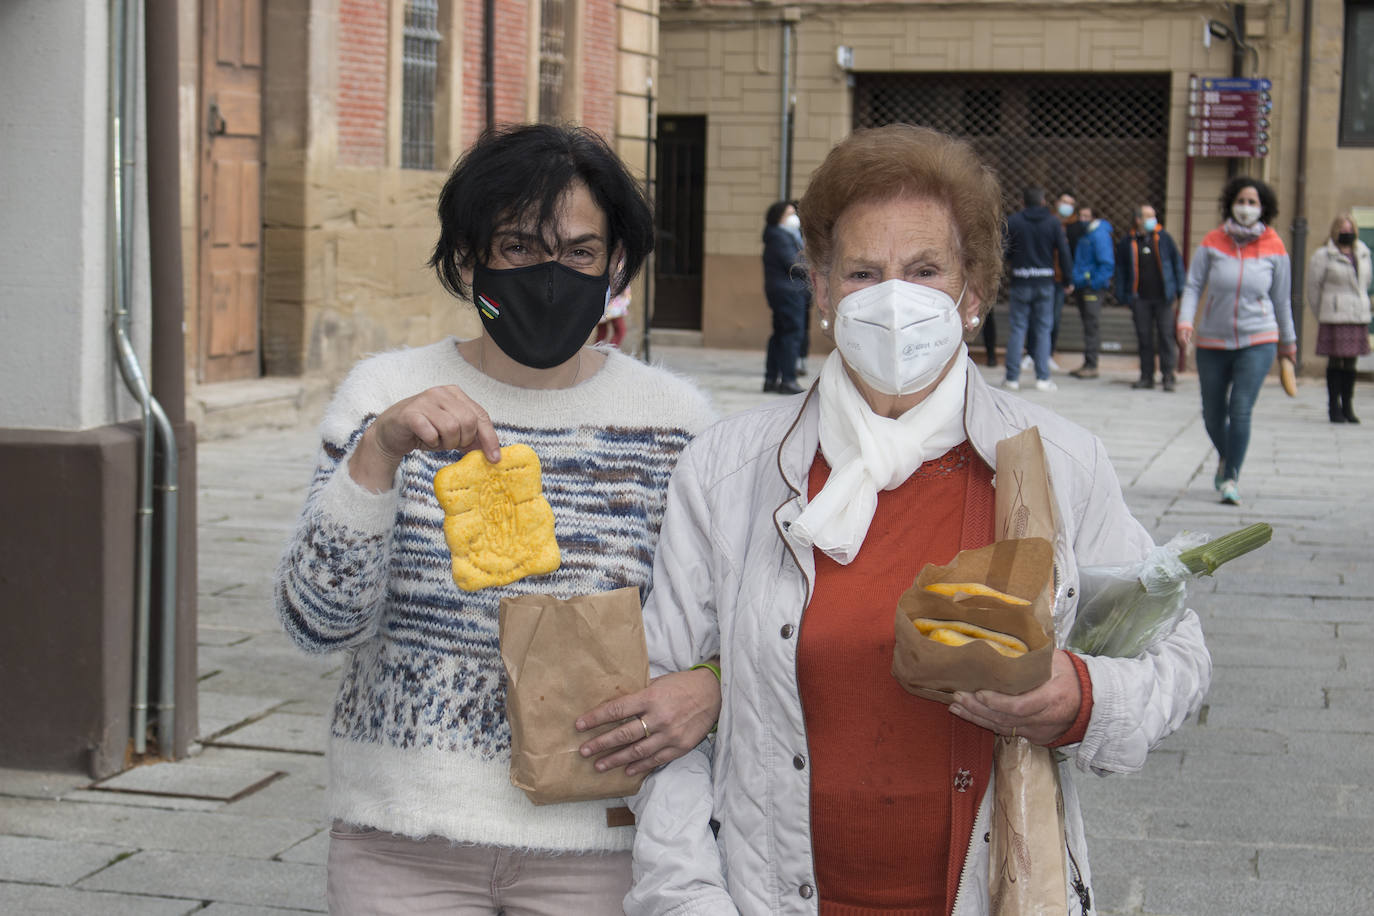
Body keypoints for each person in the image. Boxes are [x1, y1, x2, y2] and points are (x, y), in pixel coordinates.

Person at [625, 125, 1211, 916]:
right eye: (863, 272)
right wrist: (689, 902)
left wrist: (1080, 697)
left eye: (924, 270)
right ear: (824, 290)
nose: (893, 298)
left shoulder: (1056, 465)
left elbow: (1177, 654)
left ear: (971, 294)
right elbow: (665, 720)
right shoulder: (730, 471)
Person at [274, 123, 722, 914]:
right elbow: (317, 623)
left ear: (616, 263)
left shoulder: (676, 422)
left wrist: (709, 687)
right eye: (518, 246)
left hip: (602, 843)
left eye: (581, 252)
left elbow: (730, 625)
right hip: (401, 840)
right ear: (467, 257)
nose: (551, 274)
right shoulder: (386, 392)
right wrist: (378, 456)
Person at [1178, 176, 1296, 505]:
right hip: (1212, 341)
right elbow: (1193, 286)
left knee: (1240, 409)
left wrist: (1289, 342)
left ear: (1264, 208)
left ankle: (1231, 476)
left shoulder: (1275, 246)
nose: (1246, 207)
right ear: (1230, 203)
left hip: (1259, 338)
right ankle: (1227, 456)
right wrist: (1185, 320)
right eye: (1241, 200)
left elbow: (1282, 299)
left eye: (1253, 202)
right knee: (1212, 414)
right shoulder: (1213, 241)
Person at [1003, 186, 1073, 392]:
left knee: (1017, 328)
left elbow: (1004, 251)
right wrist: (1068, 278)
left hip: (1021, 281)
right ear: (1043, 202)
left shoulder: (1014, 221)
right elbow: (1063, 251)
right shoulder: (1053, 223)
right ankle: (1043, 378)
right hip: (1044, 282)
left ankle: (1012, 378)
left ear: (1023, 202)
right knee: (1043, 330)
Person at [1306, 213, 1371, 423]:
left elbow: (1366, 282)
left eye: (1350, 229)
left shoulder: (1362, 252)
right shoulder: (1323, 255)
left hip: (1357, 314)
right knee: (1335, 362)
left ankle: (1348, 406)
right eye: (1343, 229)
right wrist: (1323, 312)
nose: (1347, 233)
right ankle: (1333, 406)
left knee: (1351, 363)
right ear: (1335, 231)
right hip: (1334, 315)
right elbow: (1314, 289)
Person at [1116, 204, 1185, 390]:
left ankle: (1168, 376)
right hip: (1140, 298)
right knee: (1144, 338)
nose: (1152, 219)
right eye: (1148, 216)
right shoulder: (1127, 241)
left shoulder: (1164, 238)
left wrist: (1179, 289)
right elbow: (1121, 270)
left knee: (1166, 336)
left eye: (1153, 215)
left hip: (1164, 298)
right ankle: (1146, 376)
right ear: (1138, 219)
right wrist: (1123, 296)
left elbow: (1177, 263)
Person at [1023, 190, 1078, 373]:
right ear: (1055, 202)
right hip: (1043, 275)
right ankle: (1031, 354)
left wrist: (1069, 277)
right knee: (1034, 319)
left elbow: (1068, 254)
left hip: (1058, 279)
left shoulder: (1075, 226)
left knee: (1053, 319)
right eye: (1064, 201)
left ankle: (1047, 354)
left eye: (1070, 203)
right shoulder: (1049, 221)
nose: (1067, 206)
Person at [762, 200, 809, 394]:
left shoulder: (783, 235)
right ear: (778, 217)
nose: (794, 218)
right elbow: (794, 263)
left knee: (781, 333)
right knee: (791, 333)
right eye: (789, 214)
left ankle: (771, 379)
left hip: (783, 291)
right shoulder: (780, 236)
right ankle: (788, 379)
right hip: (788, 291)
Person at [1067, 206, 1114, 380]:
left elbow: (1106, 264)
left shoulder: (1098, 235)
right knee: (1087, 325)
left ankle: (1092, 364)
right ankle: (1088, 362)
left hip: (1091, 287)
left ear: (1094, 217)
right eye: (1080, 215)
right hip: (1083, 285)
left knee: (1091, 325)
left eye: (1086, 216)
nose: (1082, 219)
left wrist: (1093, 283)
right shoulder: (1085, 234)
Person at [596, 276, 630, 348]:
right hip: (614, 302)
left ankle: (597, 352)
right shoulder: (619, 265)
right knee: (620, 330)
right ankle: (609, 352)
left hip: (606, 298)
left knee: (602, 331)